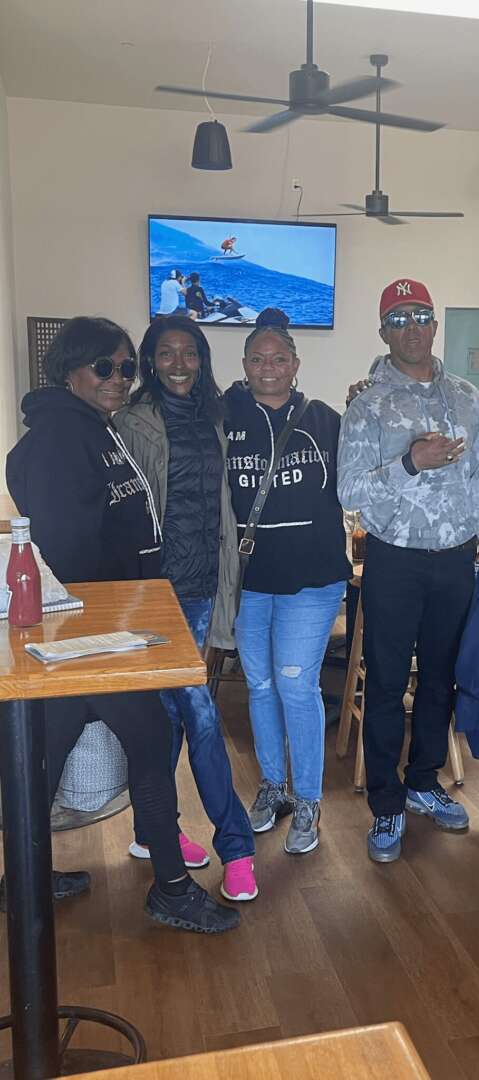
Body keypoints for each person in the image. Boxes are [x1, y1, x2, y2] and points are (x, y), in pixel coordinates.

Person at [5, 316, 239, 933]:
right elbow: (68, 552)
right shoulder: (62, 439)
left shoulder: (93, 427)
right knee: (150, 744)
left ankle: (22, 879)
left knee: (48, 753)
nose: (118, 378)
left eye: (126, 367)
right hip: (93, 635)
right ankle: (171, 889)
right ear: (69, 371)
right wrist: (124, 615)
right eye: (104, 367)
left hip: (104, 627)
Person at [338, 278, 479, 863]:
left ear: (435, 324)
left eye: (421, 315)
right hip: (395, 559)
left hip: (456, 556)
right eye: (399, 319)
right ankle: (386, 803)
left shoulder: (467, 397)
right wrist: (410, 461)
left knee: (440, 677)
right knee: (384, 683)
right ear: (384, 331)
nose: (412, 328)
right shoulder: (367, 404)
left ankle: (424, 781)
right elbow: (348, 491)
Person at [115, 315, 257, 902]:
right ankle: (237, 846)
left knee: (172, 714)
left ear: (202, 359)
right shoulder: (130, 423)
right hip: (153, 592)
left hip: (201, 587)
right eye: (167, 353)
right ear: (150, 361)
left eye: (190, 353)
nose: (180, 364)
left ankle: (153, 831)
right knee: (197, 712)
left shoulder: (216, 416)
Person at [225, 309, 350, 855]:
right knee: (259, 686)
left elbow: (361, 478)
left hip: (312, 579)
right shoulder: (224, 419)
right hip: (249, 581)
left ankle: (308, 800)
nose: (268, 367)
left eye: (279, 358)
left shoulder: (325, 420)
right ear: (244, 364)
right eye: (258, 358)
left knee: (296, 685)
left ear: (296, 364)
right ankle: (273, 786)